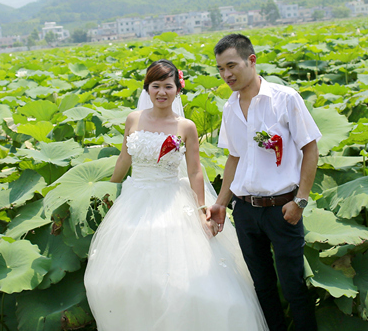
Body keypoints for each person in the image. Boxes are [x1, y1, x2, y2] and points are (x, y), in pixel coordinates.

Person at [84, 59, 268, 331]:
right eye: (155, 86)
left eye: (168, 86)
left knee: (181, 281)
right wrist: (108, 188)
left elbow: (194, 172)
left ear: (177, 90)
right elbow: (125, 158)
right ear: (147, 89)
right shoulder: (134, 119)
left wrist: (201, 209)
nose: (161, 92)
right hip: (134, 199)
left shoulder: (186, 127)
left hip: (171, 198)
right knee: (119, 279)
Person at [207, 34, 321, 331]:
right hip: (245, 211)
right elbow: (234, 158)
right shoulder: (230, 108)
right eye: (220, 69)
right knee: (262, 287)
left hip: (282, 208)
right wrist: (221, 204)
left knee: (293, 285)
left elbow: (310, 148)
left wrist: (301, 200)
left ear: (251, 60)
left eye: (231, 66)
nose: (226, 74)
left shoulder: (285, 98)